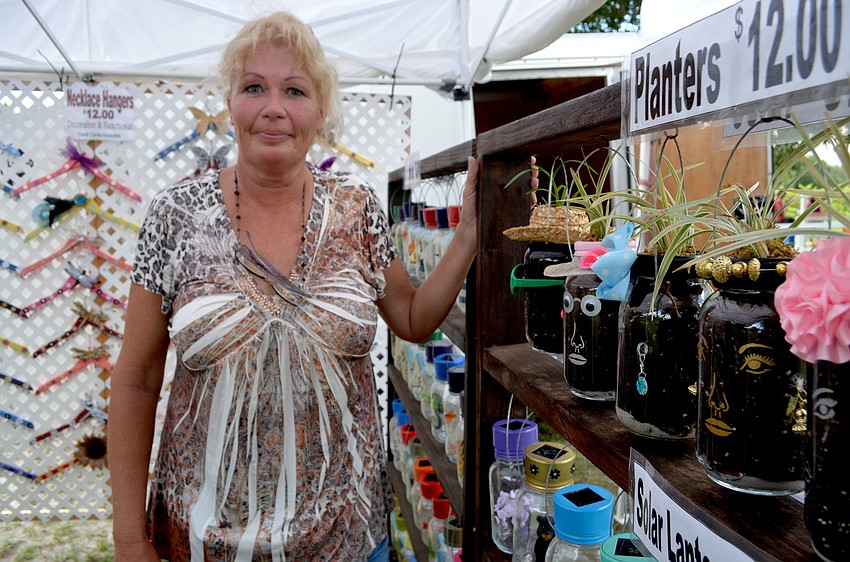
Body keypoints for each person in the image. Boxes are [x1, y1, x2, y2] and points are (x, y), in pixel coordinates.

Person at [107, 11, 497, 562]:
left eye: (294, 90)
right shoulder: (175, 216)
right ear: (231, 104)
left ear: (319, 111)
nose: (273, 107)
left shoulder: (358, 210)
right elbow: (136, 379)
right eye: (253, 87)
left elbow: (410, 317)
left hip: (346, 537)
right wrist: (128, 537)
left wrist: (467, 238)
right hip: (201, 541)